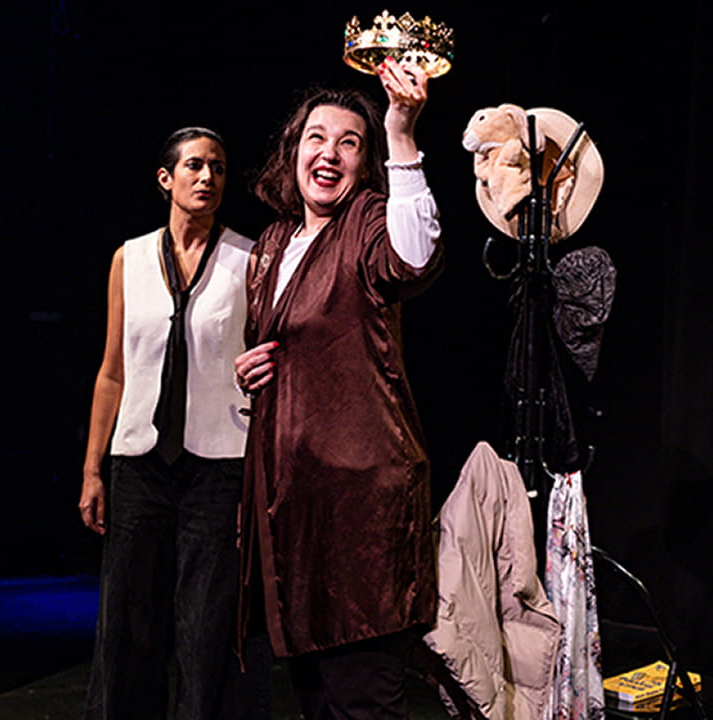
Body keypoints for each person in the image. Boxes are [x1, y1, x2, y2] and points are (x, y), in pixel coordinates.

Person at [235, 59, 442, 719]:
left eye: (349, 142)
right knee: (316, 700)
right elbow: (280, 342)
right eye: (316, 138)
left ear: (365, 163)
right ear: (291, 151)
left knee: (363, 700)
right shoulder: (271, 242)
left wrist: (402, 132)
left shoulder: (369, 222)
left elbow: (415, 255)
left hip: (361, 508)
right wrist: (252, 368)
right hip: (295, 510)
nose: (329, 153)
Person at [79, 126, 268, 720]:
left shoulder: (248, 257)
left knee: (204, 625)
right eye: (194, 165)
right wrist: (93, 468)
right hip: (139, 462)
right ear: (166, 178)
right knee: (127, 620)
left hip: (218, 464)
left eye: (217, 166)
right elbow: (113, 371)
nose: (207, 177)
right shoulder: (129, 258)